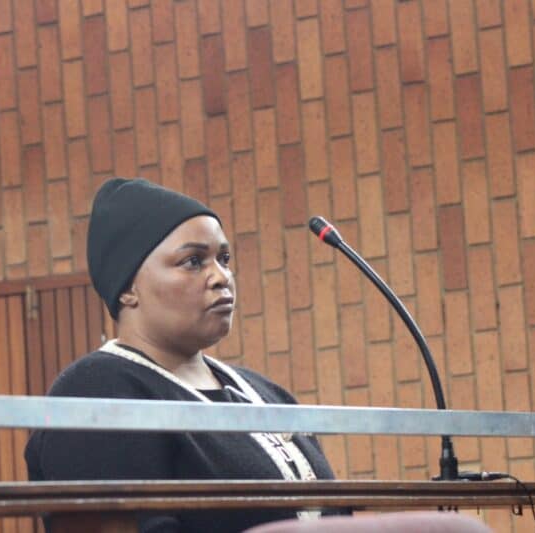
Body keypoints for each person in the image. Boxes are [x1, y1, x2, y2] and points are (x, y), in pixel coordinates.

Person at [25, 178, 338, 533]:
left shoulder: (265, 392)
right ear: (128, 288)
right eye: (193, 261)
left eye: (224, 258)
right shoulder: (98, 391)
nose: (221, 277)